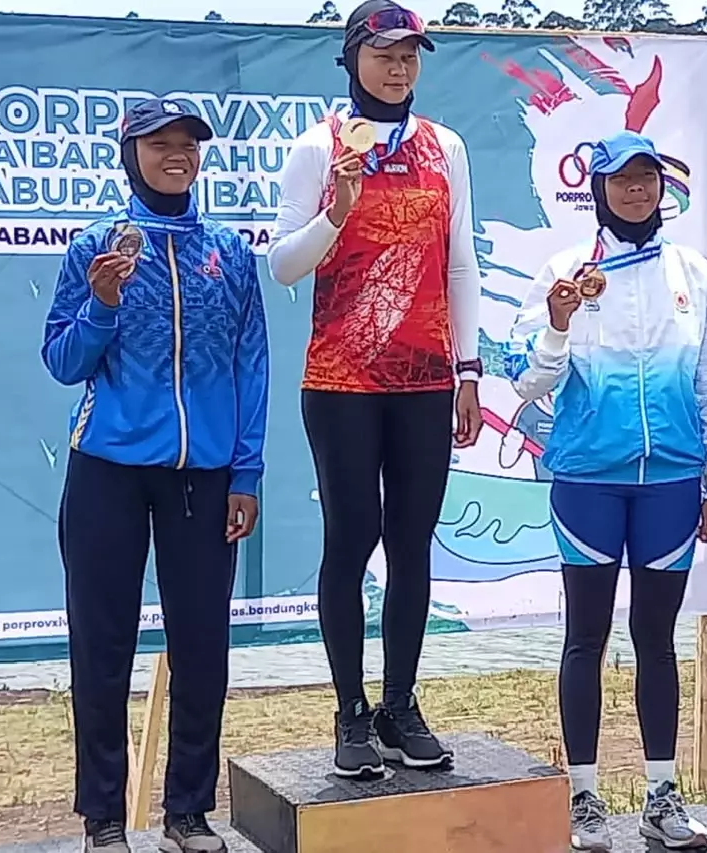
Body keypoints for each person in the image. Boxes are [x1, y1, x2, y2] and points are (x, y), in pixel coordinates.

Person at [41, 99, 268, 853]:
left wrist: (248, 467)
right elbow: (63, 362)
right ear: (129, 152)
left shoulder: (228, 252)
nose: (176, 154)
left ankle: (188, 812)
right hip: (105, 467)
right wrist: (103, 303)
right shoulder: (93, 247)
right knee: (100, 645)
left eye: (187, 144)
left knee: (203, 645)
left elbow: (250, 362)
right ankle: (103, 817)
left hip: (202, 478)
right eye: (158, 143)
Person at [266, 0, 483, 779]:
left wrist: (468, 368)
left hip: (426, 377)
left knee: (413, 546)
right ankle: (350, 711)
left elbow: (461, 263)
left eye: (411, 56)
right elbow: (284, 264)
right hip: (342, 380)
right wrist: (337, 211)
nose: (399, 68)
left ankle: (400, 704)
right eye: (385, 54)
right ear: (353, 57)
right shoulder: (315, 147)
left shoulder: (444, 147)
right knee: (351, 542)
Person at [504, 130, 707, 852]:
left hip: (669, 482)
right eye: (622, 179)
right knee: (586, 638)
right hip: (587, 482)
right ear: (598, 188)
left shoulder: (692, 273)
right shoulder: (564, 271)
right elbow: (524, 381)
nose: (637, 190)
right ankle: (583, 799)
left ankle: (661, 796)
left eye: (648, 178)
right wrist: (558, 325)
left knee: (656, 640)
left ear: (662, 187)